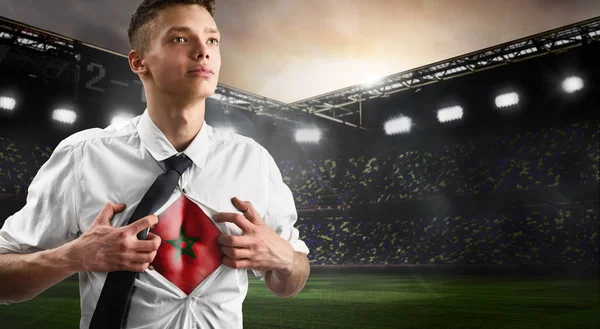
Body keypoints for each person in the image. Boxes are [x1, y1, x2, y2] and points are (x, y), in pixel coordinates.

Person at [0, 0, 310, 328]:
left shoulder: (253, 162)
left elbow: (291, 280)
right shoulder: (84, 157)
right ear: (139, 61)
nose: (203, 51)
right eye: (180, 38)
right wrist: (74, 256)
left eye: (212, 40)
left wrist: (286, 260)